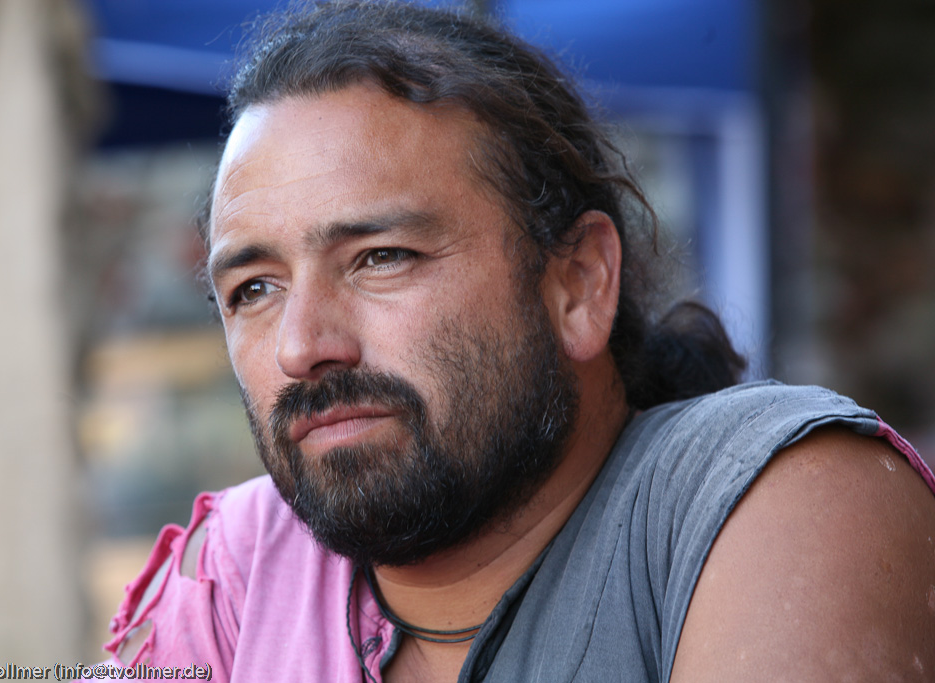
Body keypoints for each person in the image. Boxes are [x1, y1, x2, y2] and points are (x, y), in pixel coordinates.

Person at [101, 2, 935, 681]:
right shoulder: (238, 573)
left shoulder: (774, 499)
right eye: (253, 288)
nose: (302, 346)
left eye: (382, 257)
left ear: (578, 282)